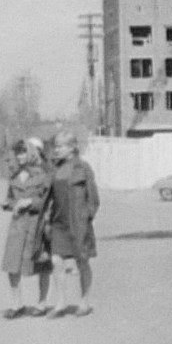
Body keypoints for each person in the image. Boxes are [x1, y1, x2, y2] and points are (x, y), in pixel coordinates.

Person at [44, 130, 100, 318]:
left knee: (82, 261)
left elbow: (94, 200)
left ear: (72, 148)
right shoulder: (54, 169)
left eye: (60, 146)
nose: (56, 150)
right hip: (58, 223)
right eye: (56, 146)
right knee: (56, 261)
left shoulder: (83, 168)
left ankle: (84, 302)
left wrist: (86, 218)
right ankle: (61, 303)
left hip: (78, 224)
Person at [0, 138, 53, 319]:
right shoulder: (14, 177)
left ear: (31, 153)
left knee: (41, 263)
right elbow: (12, 199)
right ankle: (17, 304)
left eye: (23, 152)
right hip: (17, 225)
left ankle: (42, 303)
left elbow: (47, 201)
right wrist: (8, 204)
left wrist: (29, 201)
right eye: (17, 152)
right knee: (12, 263)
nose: (19, 156)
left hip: (36, 225)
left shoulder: (43, 175)